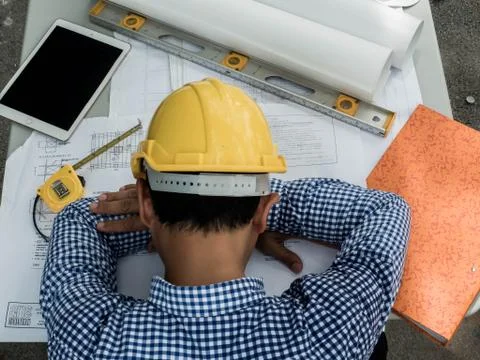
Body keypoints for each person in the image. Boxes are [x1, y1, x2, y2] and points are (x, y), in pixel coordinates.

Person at [40, 78, 410, 359]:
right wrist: (247, 205)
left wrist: (172, 206)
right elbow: (385, 211)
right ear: (264, 213)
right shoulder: (329, 335)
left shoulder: (86, 340)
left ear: (146, 204)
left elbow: (77, 218)